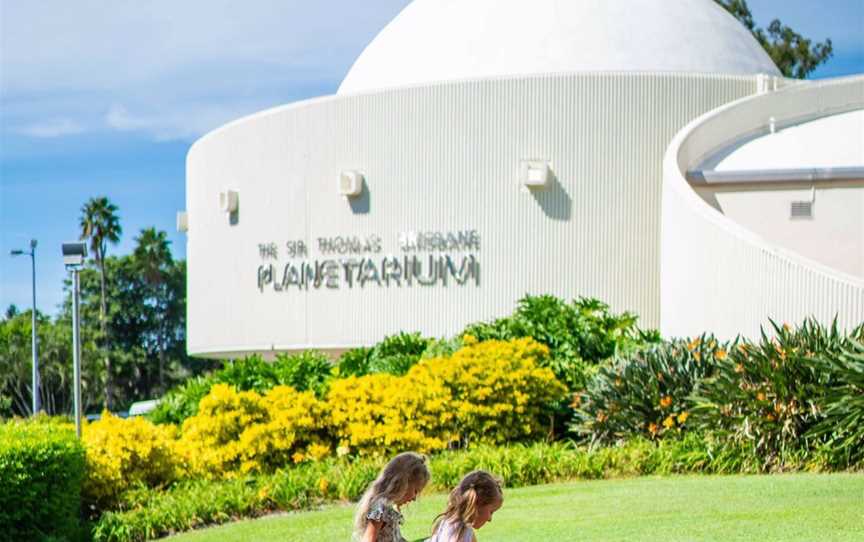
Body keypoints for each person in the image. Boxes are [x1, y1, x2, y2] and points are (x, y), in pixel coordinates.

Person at [354, 451, 431, 542]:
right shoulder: (380, 506)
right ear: (404, 483)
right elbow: (368, 539)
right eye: (415, 491)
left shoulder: (387, 507)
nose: (414, 498)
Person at [429, 471, 503, 542]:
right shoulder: (455, 535)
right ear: (476, 504)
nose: (490, 519)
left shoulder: (461, 528)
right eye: (491, 512)